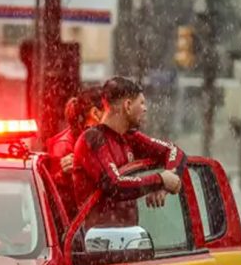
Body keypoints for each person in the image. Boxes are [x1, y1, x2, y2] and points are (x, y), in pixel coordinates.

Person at [72, 77, 185, 217]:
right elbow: (114, 185)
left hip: (129, 235)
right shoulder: (93, 138)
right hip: (96, 236)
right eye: (142, 103)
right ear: (128, 105)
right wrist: (160, 179)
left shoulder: (129, 136)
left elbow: (175, 151)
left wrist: (165, 186)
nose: (145, 109)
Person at [46, 86, 104, 188]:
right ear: (95, 113)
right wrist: (64, 174)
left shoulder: (103, 138)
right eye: (110, 112)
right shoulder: (64, 145)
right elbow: (52, 190)